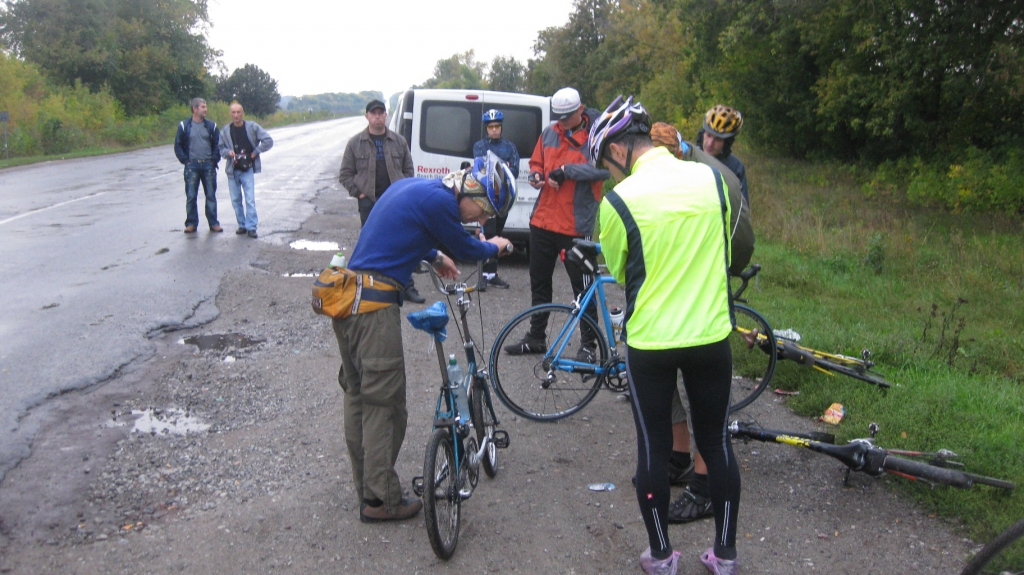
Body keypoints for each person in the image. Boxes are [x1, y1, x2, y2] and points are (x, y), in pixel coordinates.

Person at [592, 96, 741, 575]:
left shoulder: (618, 201)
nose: (609, 173)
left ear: (618, 150)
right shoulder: (711, 179)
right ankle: (725, 555)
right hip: (710, 334)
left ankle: (660, 556)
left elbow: (621, 271)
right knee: (716, 443)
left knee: (654, 450)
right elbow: (724, 246)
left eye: (605, 163)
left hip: (652, 342)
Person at [331, 152, 515, 523]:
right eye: (483, 211)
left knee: (361, 398)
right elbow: (467, 249)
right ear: (471, 191)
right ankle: (382, 500)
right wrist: (495, 245)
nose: (480, 221)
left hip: (350, 303)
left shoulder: (417, 189)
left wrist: (433, 255)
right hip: (373, 312)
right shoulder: (441, 204)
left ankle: (369, 489)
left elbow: (404, 227)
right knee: (385, 405)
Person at [504, 87, 610, 355]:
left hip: (575, 226)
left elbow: (604, 170)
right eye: (558, 117)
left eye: (567, 117)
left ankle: (589, 345)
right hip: (543, 221)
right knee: (539, 284)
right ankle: (536, 337)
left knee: (583, 288)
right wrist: (536, 175)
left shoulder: (597, 137)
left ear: (580, 109)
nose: (561, 122)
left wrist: (566, 171)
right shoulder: (549, 133)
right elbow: (536, 162)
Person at [338, 99, 423, 303]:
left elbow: (409, 170)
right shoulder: (355, 143)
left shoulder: (399, 141)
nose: (378, 116)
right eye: (373, 113)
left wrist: (403, 192)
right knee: (371, 245)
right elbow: (345, 174)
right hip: (369, 202)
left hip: (396, 202)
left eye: (381, 113)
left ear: (386, 115)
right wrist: (359, 194)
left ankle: (407, 287)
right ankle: (371, 288)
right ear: (367, 116)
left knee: (402, 242)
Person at [472, 109, 520, 291]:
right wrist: (501, 166)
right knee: (487, 234)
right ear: (486, 128)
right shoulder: (479, 146)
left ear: (501, 127)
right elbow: (481, 169)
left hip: (503, 199)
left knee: (497, 234)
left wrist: (501, 168)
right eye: (491, 127)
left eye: (497, 126)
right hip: (486, 198)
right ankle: (483, 275)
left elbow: (514, 170)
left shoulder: (510, 147)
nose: (494, 130)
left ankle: (492, 274)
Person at [219, 102, 274, 238]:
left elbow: (268, 140)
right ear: (230, 114)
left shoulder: (252, 127)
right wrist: (228, 152)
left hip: (247, 168)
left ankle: (251, 227)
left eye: (238, 112)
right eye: (233, 112)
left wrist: (255, 152)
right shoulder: (226, 130)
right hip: (233, 169)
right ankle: (242, 225)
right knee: (235, 199)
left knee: (250, 199)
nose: (236, 115)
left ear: (242, 113)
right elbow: (220, 148)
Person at [173, 98, 222, 233]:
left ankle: (213, 223)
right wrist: (185, 161)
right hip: (192, 166)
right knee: (191, 196)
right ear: (195, 109)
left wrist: (213, 161)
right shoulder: (184, 126)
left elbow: (218, 144)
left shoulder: (211, 126)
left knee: (210, 195)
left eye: (205, 107)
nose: (205, 109)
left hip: (208, 165)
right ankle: (191, 223)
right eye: (203, 107)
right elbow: (178, 145)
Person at [696, 105, 748, 205]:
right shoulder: (687, 157)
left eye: (718, 139)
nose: (710, 143)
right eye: (708, 135)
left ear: (727, 143)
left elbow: (742, 208)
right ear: (702, 134)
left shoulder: (735, 168)